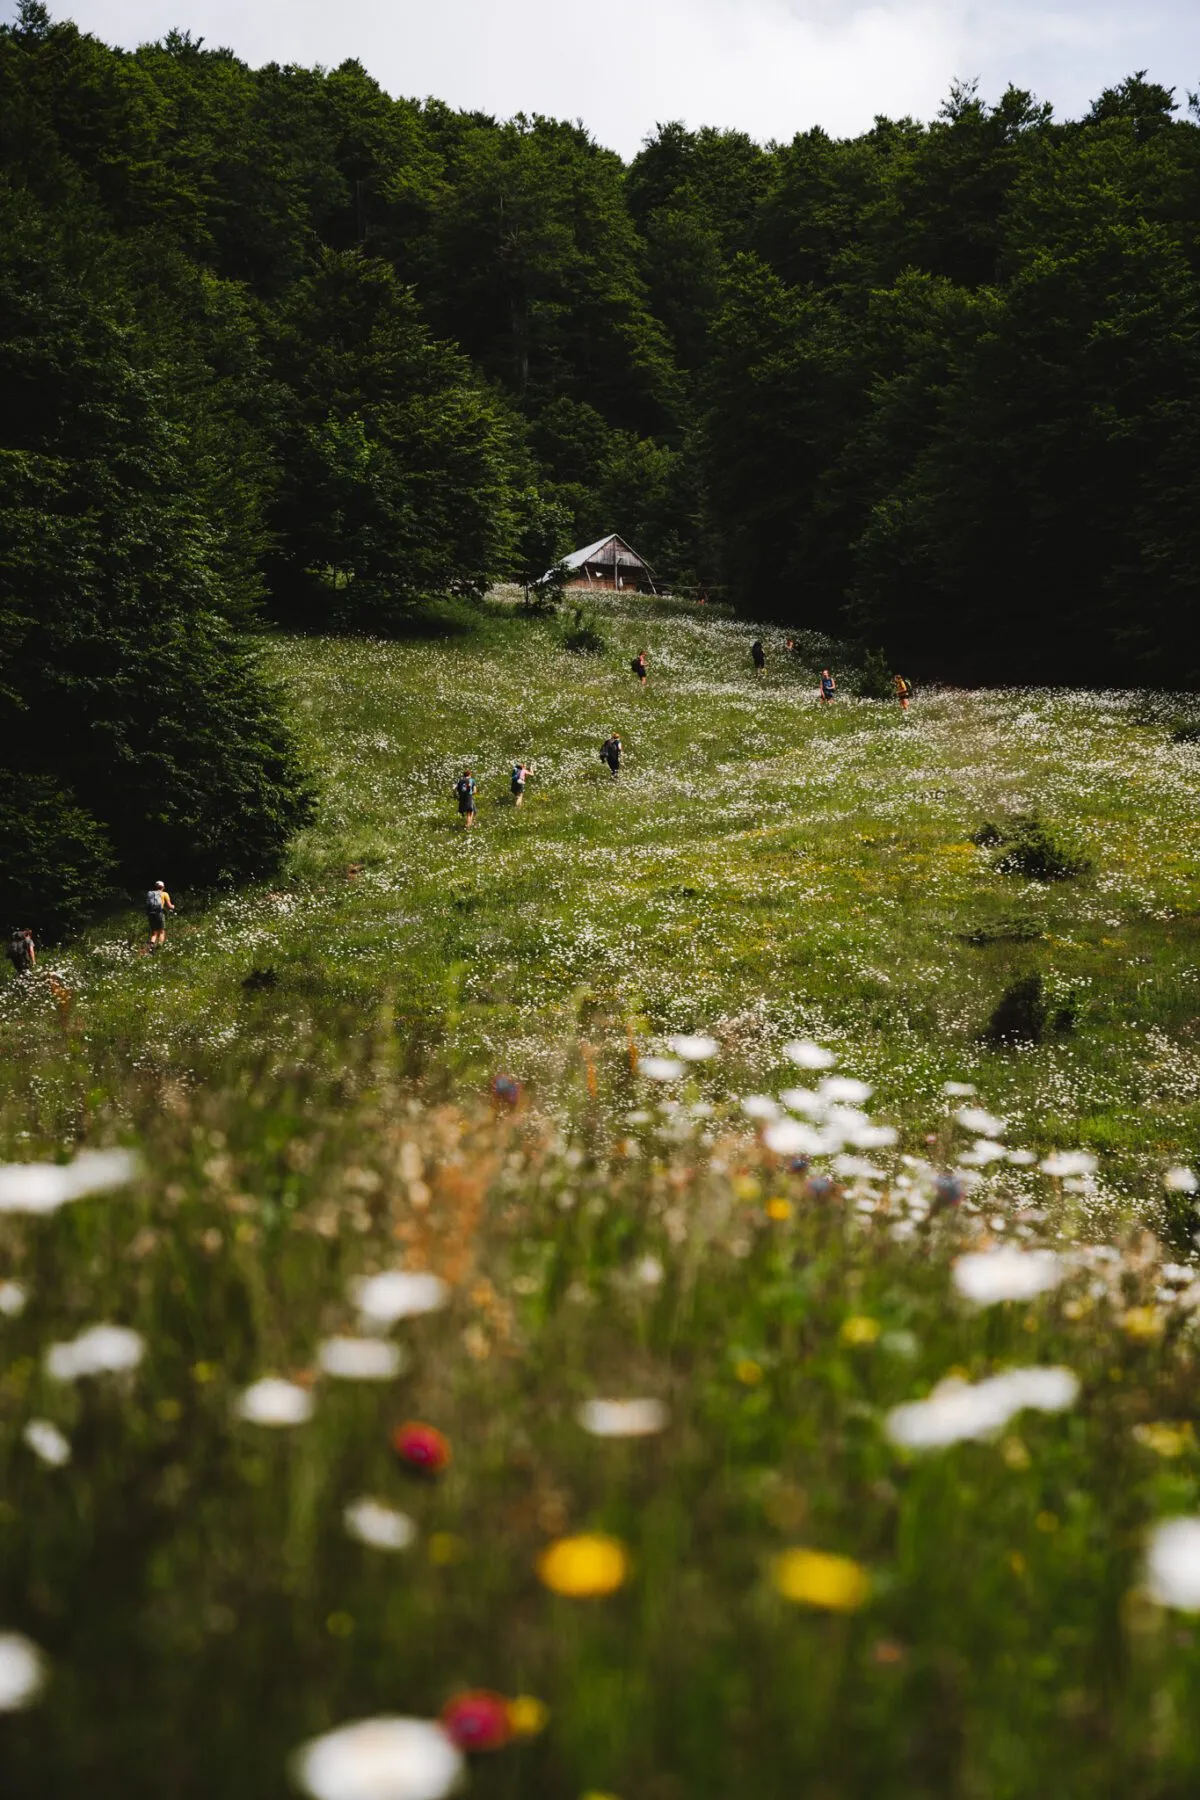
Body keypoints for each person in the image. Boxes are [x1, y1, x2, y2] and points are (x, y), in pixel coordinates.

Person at [146, 881, 175, 950]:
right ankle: (159, 949)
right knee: (161, 932)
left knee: (154, 933)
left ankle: (151, 947)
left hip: (151, 914)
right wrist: (173, 907)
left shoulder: (151, 894)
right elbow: (169, 906)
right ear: (163, 887)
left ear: (155, 887)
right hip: (159, 914)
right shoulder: (164, 894)